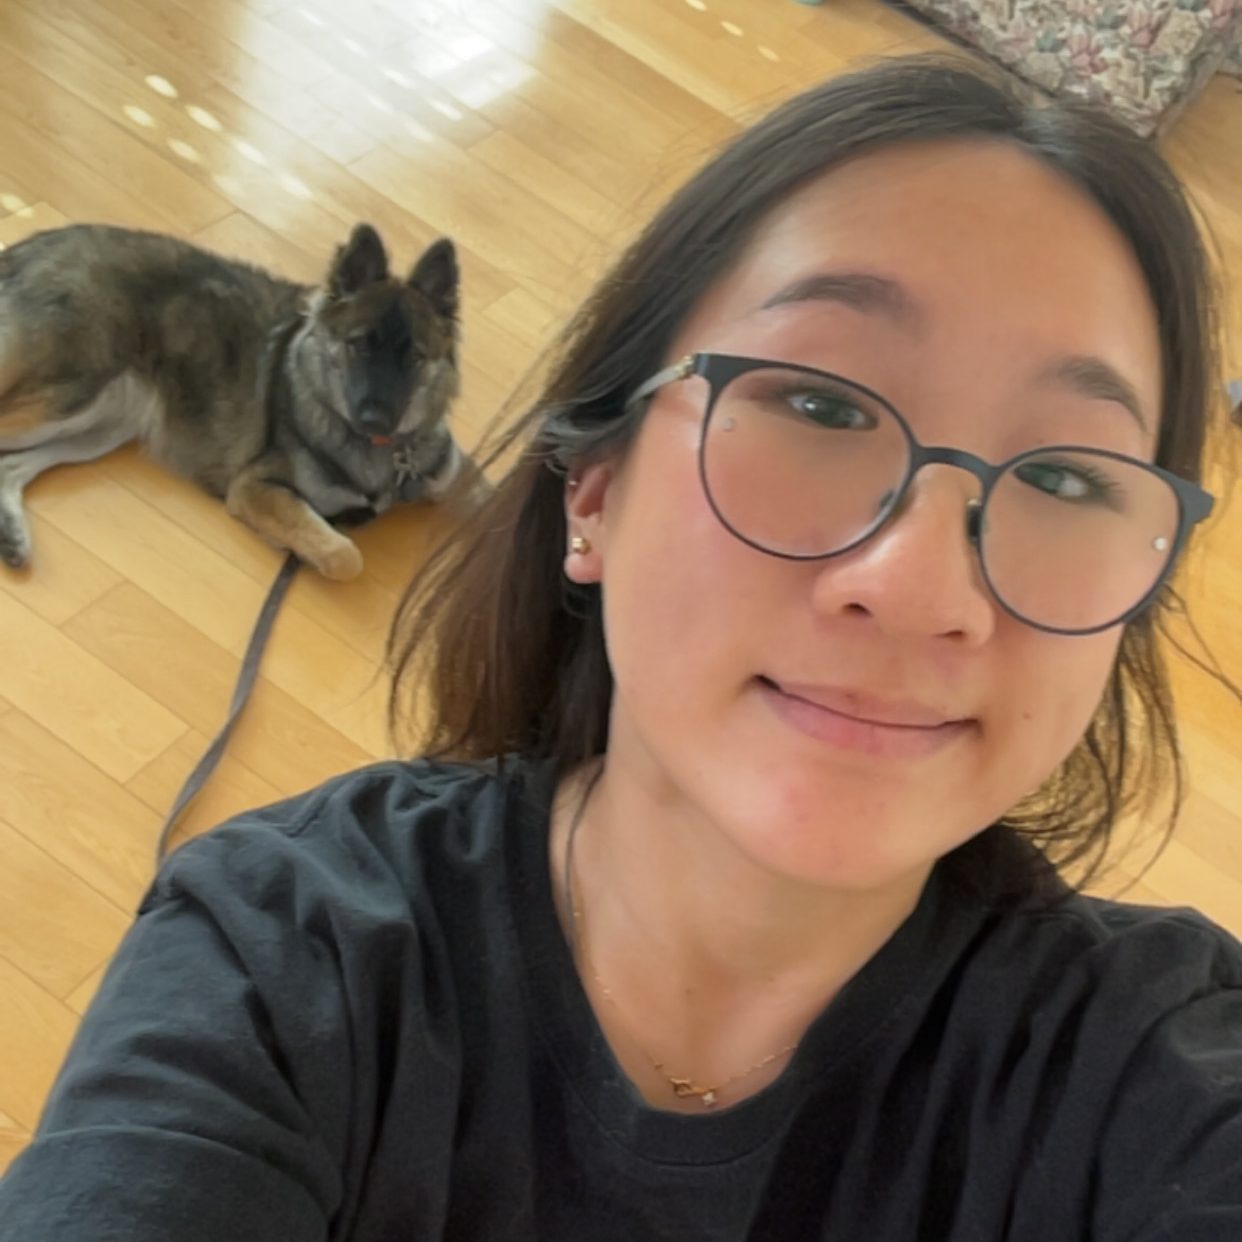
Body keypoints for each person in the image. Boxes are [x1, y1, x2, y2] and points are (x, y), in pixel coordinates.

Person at [1, 54, 1239, 1242]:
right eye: (819, 403)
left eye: (1071, 478)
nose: (920, 587)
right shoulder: (273, 965)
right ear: (591, 490)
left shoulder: (1169, 1070)